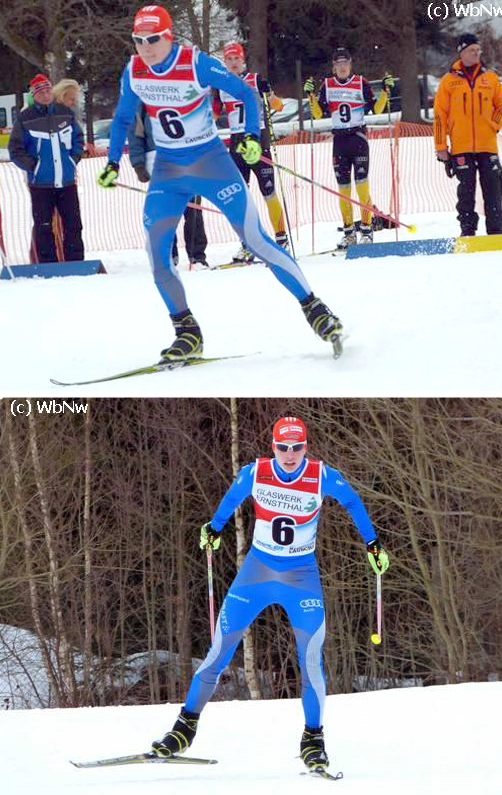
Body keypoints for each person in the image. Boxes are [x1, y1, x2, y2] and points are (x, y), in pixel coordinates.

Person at [97, 5, 343, 362]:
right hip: (168, 170)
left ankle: (315, 308)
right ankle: (187, 332)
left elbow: (245, 94)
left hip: (211, 163)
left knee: (256, 239)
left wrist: (252, 136)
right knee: (156, 252)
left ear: (168, 37)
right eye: (138, 40)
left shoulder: (195, 62)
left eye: (152, 39)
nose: (145, 48)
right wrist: (112, 162)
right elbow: (121, 119)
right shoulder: (134, 70)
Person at [150, 415, 390, 773]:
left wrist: (373, 544)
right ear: (273, 446)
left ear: (306, 447)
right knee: (219, 651)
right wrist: (214, 528)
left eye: (297, 447)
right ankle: (184, 728)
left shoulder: (321, 475)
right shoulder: (255, 472)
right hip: (257, 574)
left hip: (300, 578)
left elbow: (353, 502)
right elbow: (232, 498)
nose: (290, 455)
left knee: (311, 661)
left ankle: (313, 739)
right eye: (282, 447)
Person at [304, 49, 394, 251]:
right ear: (334, 66)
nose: (342, 67)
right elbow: (318, 114)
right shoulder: (327, 85)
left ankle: (366, 229)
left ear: (350, 64)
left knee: (362, 188)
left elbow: (377, 109)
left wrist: (386, 91)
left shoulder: (361, 82)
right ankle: (348, 233)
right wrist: (310, 95)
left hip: (358, 138)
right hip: (340, 141)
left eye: (345, 63)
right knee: (343, 190)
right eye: (339, 63)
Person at [214, 41, 288, 263]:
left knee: (268, 191)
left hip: (258, 137)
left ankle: (281, 236)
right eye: (229, 59)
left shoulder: (255, 79)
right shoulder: (221, 85)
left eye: (236, 58)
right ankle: (248, 243)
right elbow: (214, 115)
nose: (234, 63)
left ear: (243, 60)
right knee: (241, 196)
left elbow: (278, 107)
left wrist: (270, 93)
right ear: (225, 63)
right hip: (236, 142)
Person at [433, 33, 502, 237]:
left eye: (478, 50)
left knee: (493, 192)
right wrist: (441, 146)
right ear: (462, 52)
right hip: (461, 147)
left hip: (487, 146)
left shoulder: (490, 77)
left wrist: (493, 124)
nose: (476, 54)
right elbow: (440, 115)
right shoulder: (448, 81)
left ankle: (496, 234)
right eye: (472, 50)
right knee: (465, 193)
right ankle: (468, 232)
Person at [8, 73, 85, 263]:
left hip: (66, 181)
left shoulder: (65, 112)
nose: (45, 94)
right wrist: (34, 167)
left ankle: (75, 263)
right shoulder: (25, 118)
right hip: (40, 184)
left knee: (73, 225)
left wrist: (73, 160)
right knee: (43, 226)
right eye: (40, 91)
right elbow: (15, 149)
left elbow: (78, 138)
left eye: (47, 89)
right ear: (33, 95)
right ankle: (46, 264)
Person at [128, 101, 209, 268]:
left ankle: (197, 256)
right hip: (157, 158)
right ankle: (169, 255)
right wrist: (138, 164)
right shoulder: (140, 104)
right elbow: (136, 135)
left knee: (193, 208)